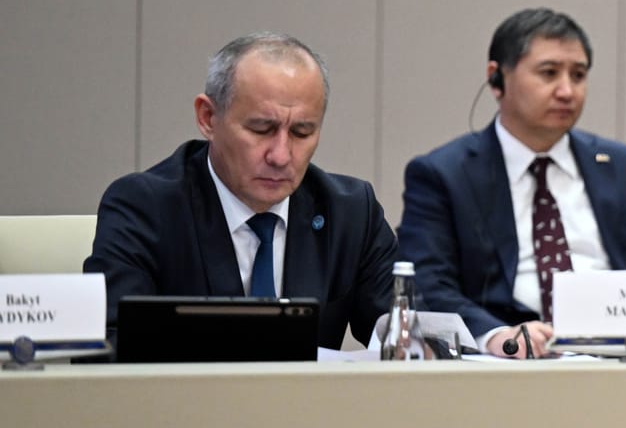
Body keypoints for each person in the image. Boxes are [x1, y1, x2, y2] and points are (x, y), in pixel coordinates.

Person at [398, 8, 626, 357]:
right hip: (510, 361)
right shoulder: (444, 174)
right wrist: (496, 335)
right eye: (549, 73)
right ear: (497, 79)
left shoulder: (623, 167)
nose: (567, 91)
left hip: (620, 354)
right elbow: (428, 284)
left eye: (578, 75)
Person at [84, 33, 398, 350]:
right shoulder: (145, 208)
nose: (281, 156)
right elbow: (110, 348)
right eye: (261, 129)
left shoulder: (350, 212)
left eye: (302, 132)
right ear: (208, 118)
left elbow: (409, 337)